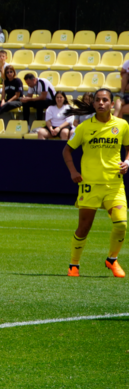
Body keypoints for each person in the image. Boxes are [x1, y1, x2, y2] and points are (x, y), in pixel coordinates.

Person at [62, 89, 129, 278]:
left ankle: (112, 260)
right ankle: (74, 265)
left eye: (105, 100)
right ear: (93, 104)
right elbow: (66, 151)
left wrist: (127, 162)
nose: (101, 103)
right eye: (98, 100)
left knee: (121, 224)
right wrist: (73, 171)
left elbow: (128, 148)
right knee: (84, 227)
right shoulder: (84, 128)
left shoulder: (122, 125)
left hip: (114, 185)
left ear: (111, 103)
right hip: (90, 185)